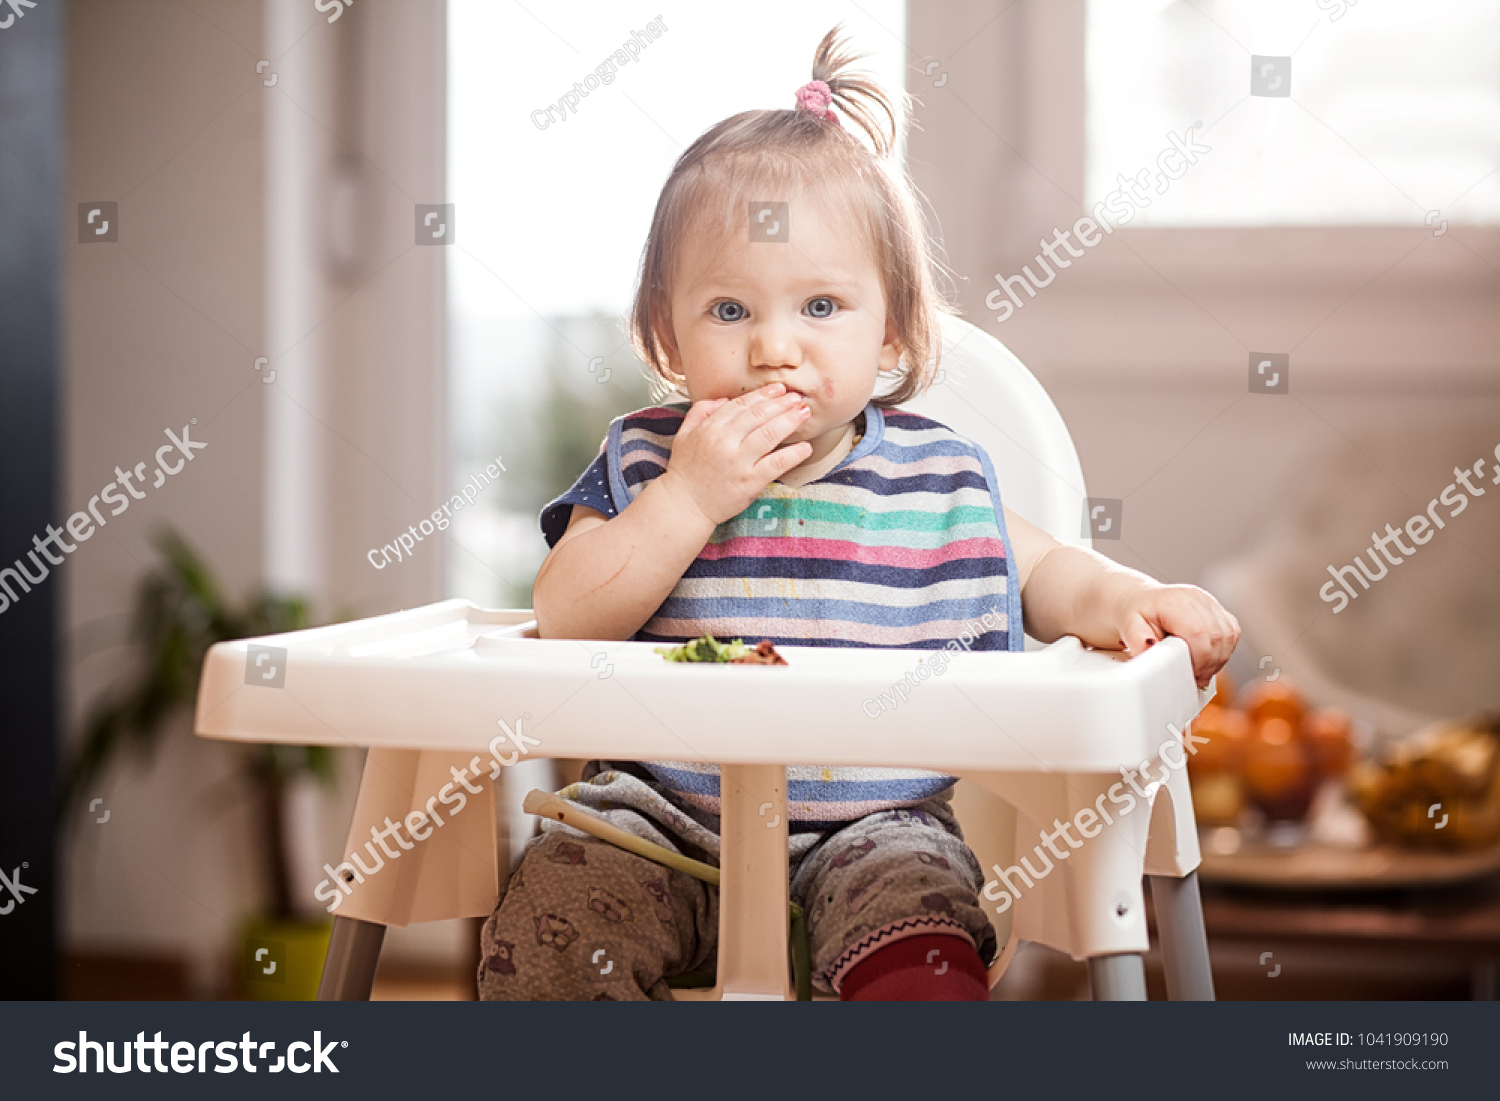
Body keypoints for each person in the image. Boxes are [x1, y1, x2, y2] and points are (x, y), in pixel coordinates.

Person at [478, 26, 1239, 1001]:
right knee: (551, 918)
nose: (775, 349)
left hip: (875, 832)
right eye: (729, 311)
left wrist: (1135, 596)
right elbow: (568, 617)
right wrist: (690, 497)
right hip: (653, 824)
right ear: (666, 328)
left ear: (895, 326)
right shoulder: (643, 462)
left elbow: (1047, 574)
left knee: (921, 939)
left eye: (821, 307)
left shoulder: (934, 478)